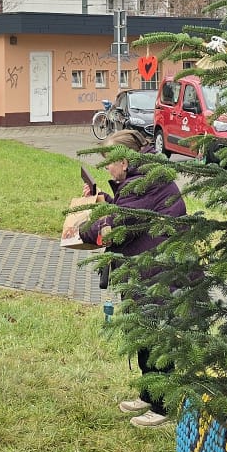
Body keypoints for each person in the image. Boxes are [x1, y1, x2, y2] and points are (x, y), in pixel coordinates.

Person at [75, 128, 187, 430]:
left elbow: (118, 220)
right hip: (148, 270)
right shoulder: (145, 179)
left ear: (125, 162)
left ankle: (162, 406)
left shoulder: (143, 185)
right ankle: (148, 395)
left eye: (110, 161)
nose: (107, 167)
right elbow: (126, 211)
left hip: (156, 272)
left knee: (154, 337)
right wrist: (104, 199)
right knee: (143, 335)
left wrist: (82, 228)